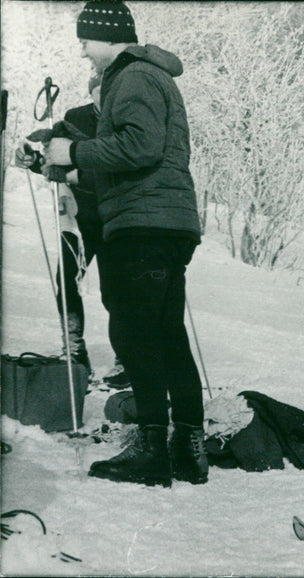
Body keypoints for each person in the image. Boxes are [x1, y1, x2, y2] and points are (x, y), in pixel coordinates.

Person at [43, 0, 207, 487]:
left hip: (141, 224)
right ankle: (188, 448)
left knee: (135, 334)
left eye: (86, 40)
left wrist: (73, 148)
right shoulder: (150, 75)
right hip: (169, 222)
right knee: (167, 333)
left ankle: (152, 450)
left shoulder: (131, 76)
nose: (82, 52)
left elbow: (141, 144)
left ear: (110, 37)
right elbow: (141, 154)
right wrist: (71, 165)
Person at [15, 75, 130, 388]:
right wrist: (37, 160)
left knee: (116, 290)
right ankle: (75, 352)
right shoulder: (75, 119)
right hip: (80, 216)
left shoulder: (128, 120)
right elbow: (60, 165)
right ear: (90, 92)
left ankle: (128, 358)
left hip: (118, 216)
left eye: (110, 91)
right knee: (65, 278)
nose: (103, 98)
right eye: (97, 91)